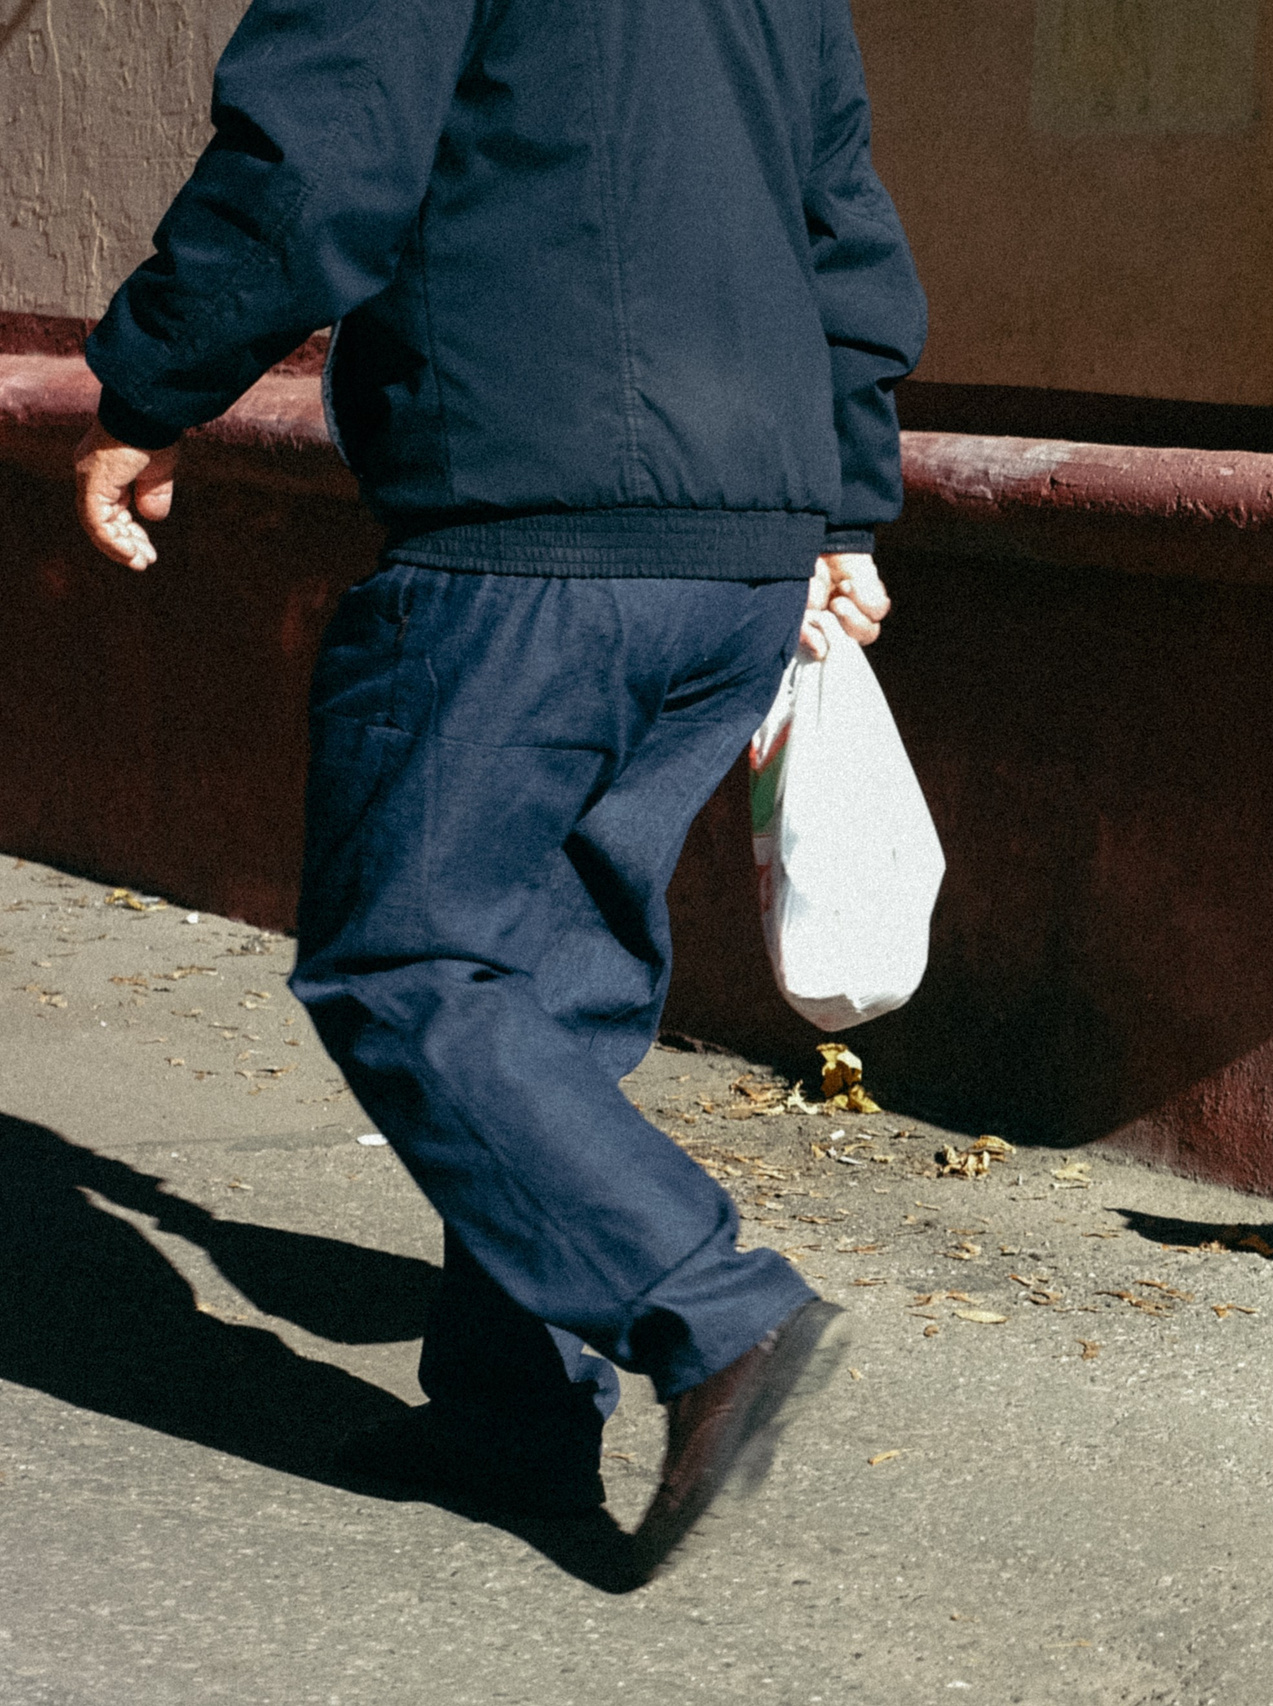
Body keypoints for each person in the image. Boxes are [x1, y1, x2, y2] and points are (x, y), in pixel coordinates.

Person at [69, 0, 925, 1583]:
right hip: (734, 554)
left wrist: (148, 386)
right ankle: (514, 1411)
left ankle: (712, 1307)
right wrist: (842, 502)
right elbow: (844, 229)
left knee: (404, 956)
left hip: (527, 527)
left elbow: (320, 155)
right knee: (556, 981)